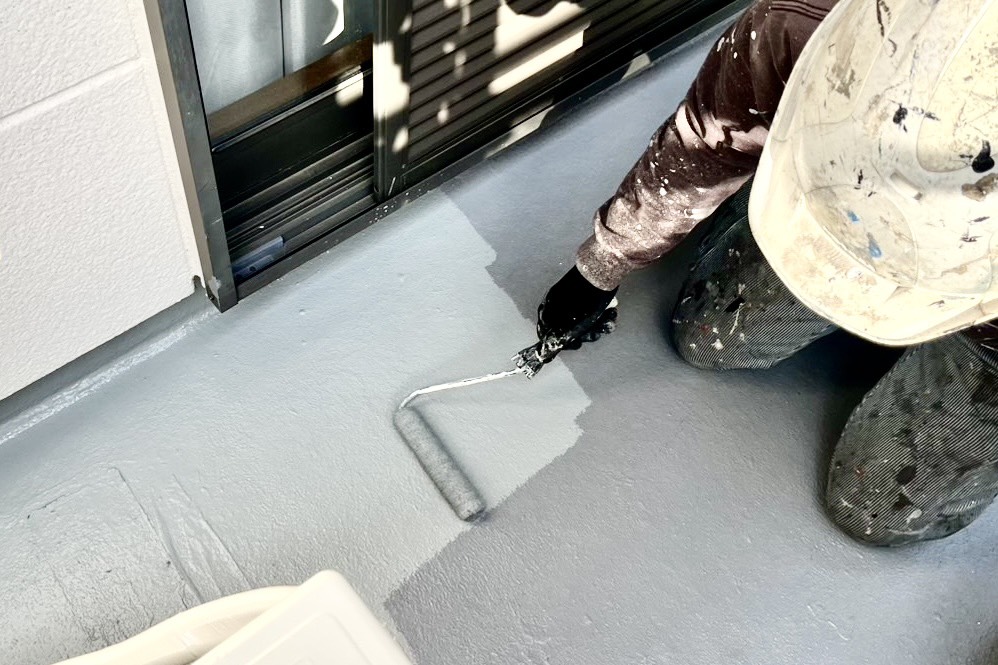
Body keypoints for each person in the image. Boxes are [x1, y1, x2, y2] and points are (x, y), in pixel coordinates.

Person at [532, 0, 998, 546]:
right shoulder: (806, 30)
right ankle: (806, 195)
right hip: (839, 214)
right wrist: (601, 265)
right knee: (707, 337)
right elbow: (703, 152)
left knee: (875, 513)